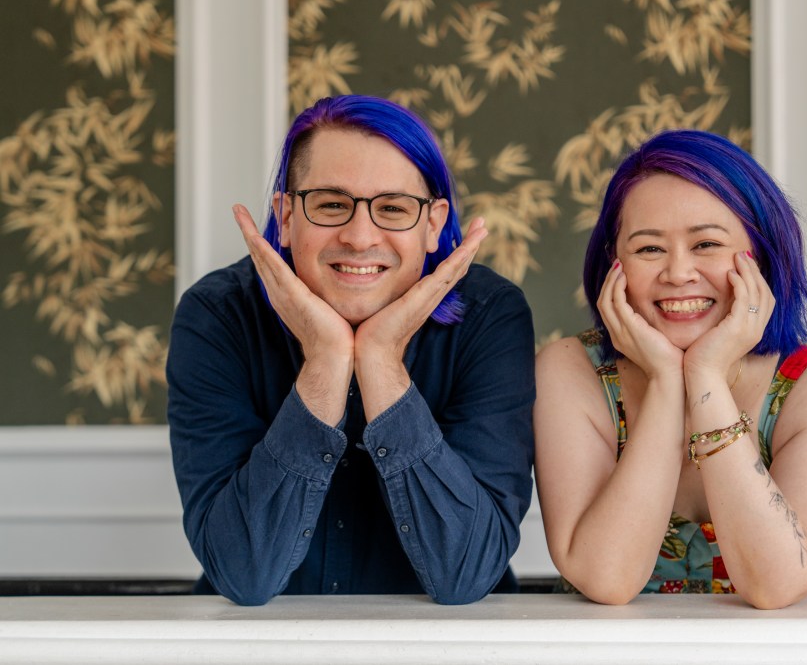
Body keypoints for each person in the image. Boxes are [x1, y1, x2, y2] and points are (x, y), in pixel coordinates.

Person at [167, 95, 535, 606]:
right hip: (261, 641)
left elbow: (465, 572)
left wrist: (380, 360)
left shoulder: (490, 315)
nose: (360, 237)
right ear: (286, 216)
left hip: (447, 643)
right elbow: (244, 573)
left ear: (433, 225)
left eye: (393, 208)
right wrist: (326, 363)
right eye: (332, 204)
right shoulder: (217, 316)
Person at [534, 130, 807, 609]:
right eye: (649, 249)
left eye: (706, 243)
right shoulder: (570, 372)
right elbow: (608, 579)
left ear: (761, 256)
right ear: (614, 263)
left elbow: (774, 586)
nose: (678, 273)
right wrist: (668, 381)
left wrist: (706, 376)